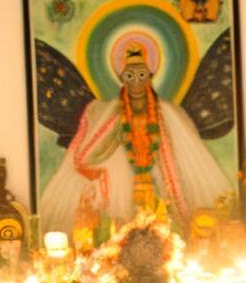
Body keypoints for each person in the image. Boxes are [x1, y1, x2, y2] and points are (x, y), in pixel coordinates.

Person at [39, 43, 231, 234]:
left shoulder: (168, 114)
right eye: (130, 76)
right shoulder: (109, 114)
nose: (136, 82)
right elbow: (91, 151)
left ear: (150, 77)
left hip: (158, 184)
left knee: (163, 229)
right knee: (122, 230)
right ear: (122, 79)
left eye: (142, 75)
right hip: (122, 186)